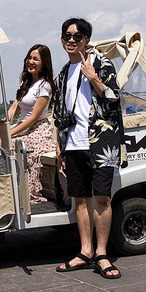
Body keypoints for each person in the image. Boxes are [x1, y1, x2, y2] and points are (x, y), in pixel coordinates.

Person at [53, 18, 123, 279]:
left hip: (100, 142)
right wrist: (60, 146)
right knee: (80, 200)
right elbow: (59, 112)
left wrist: (95, 79)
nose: (72, 40)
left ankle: (102, 254)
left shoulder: (103, 64)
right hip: (72, 144)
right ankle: (85, 251)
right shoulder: (62, 73)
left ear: (87, 40)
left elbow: (115, 102)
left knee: (102, 198)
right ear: (62, 40)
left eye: (78, 36)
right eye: (67, 35)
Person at [7, 44, 57, 204]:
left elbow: (33, 118)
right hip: (23, 125)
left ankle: (29, 192)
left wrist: (11, 134)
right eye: (29, 58)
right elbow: (13, 109)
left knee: (16, 144)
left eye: (36, 59)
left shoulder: (45, 86)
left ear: (44, 63)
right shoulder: (26, 84)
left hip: (37, 129)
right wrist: (3, 126)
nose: (31, 61)